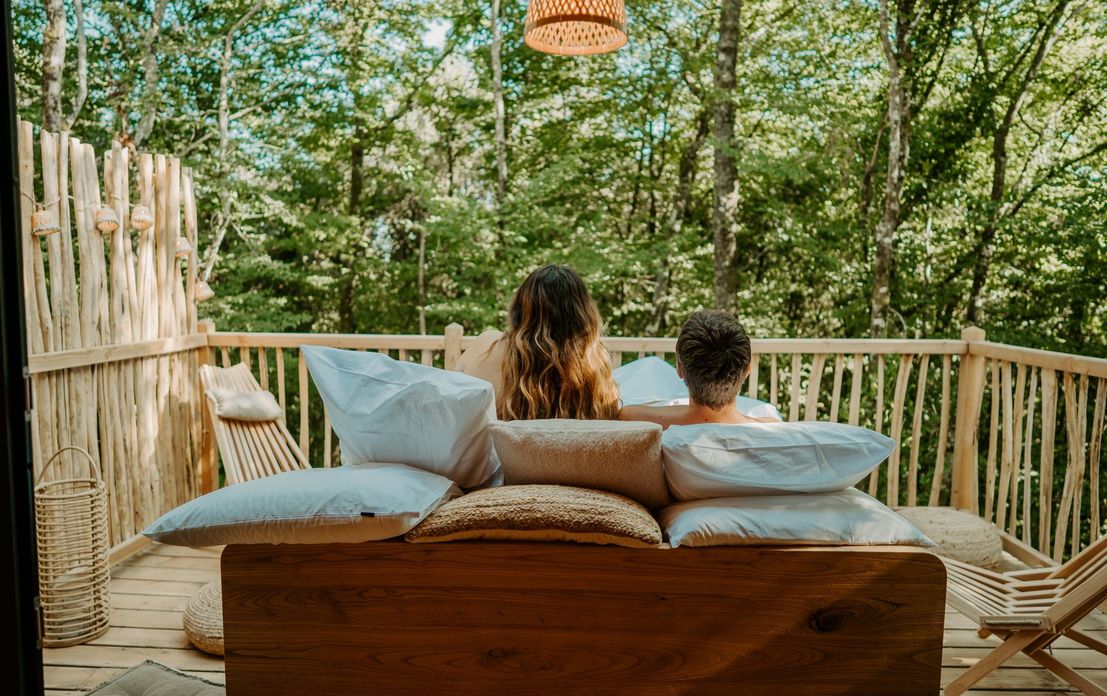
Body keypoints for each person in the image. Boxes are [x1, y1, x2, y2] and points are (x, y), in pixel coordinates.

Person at [456, 264, 620, 421]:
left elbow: (451, 398)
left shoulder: (486, 345)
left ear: (520, 307)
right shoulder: (592, 365)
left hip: (497, 450)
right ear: (583, 315)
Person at [619, 310, 776, 428]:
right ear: (747, 370)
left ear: (679, 369)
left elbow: (627, 412)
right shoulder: (773, 429)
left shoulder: (634, 419)